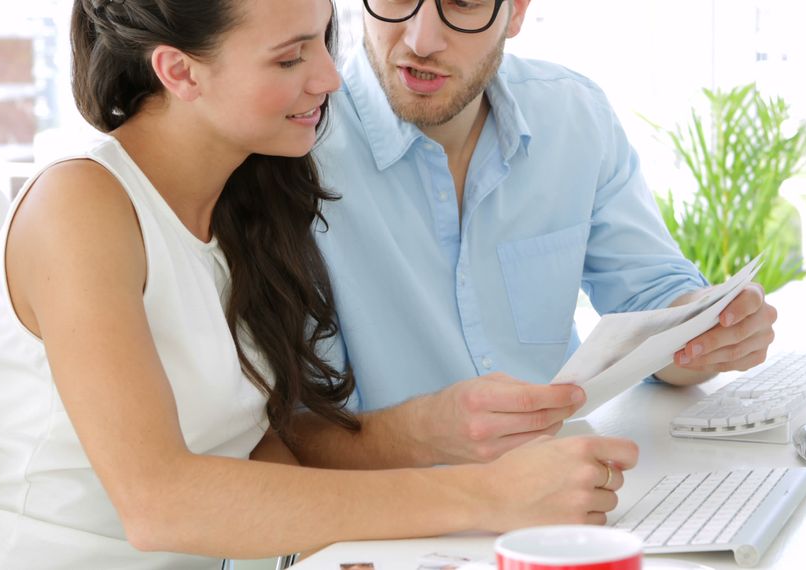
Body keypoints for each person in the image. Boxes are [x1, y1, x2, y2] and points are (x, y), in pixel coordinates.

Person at [0, 1, 638, 568]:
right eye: (291, 57)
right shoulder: (80, 206)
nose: (331, 79)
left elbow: (261, 453)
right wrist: (487, 496)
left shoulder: (242, 208)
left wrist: (433, 433)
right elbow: (160, 502)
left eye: (325, 41)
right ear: (179, 72)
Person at [308, 0, 779, 466]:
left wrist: (710, 332)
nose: (420, 40)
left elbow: (653, 306)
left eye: (464, 3)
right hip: (388, 521)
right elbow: (288, 436)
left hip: (564, 489)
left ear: (515, 13)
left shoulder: (574, 116)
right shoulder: (300, 149)